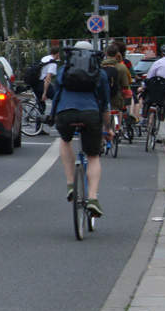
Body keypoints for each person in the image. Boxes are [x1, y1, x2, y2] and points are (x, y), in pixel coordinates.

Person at [48, 41, 112, 218]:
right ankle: (92, 198)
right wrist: (108, 128)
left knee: (65, 141)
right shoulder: (100, 73)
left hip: (65, 113)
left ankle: (70, 183)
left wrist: (53, 116)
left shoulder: (64, 70)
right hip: (91, 114)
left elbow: (57, 96)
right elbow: (105, 104)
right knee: (93, 156)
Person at [35, 46, 62, 132]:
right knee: (56, 99)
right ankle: (51, 118)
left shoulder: (45, 58)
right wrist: (45, 92)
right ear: (57, 53)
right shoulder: (53, 63)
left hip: (36, 83)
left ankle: (38, 128)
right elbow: (48, 78)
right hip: (42, 84)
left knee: (41, 106)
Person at [101, 44, 131, 121]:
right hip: (116, 96)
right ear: (117, 54)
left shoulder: (100, 66)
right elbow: (125, 84)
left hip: (103, 96)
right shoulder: (121, 67)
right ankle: (118, 128)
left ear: (106, 53)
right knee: (118, 110)